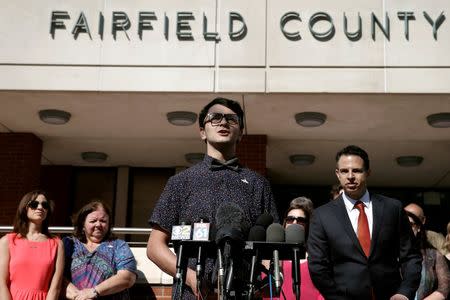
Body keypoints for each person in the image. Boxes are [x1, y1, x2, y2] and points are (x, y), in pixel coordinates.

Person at [147, 97, 279, 299]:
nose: (223, 123)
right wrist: (189, 276)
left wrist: (266, 280)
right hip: (190, 293)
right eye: (215, 118)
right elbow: (155, 247)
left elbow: (271, 245)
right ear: (202, 131)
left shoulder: (258, 184)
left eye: (231, 119)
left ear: (241, 133)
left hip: (244, 292)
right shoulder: (180, 182)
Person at [308, 145, 422, 300]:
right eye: (344, 171)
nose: (350, 176)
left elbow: (410, 256)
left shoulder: (392, 208)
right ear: (337, 174)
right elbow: (317, 266)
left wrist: (405, 291)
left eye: (356, 170)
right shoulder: (322, 215)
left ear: (368, 172)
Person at [63, 201, 137, 300]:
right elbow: (53, 275)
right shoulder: (68, 244)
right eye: (93, 221)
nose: (98, 224)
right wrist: (79, 296)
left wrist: (94, 292)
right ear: (82, 224)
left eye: (103, 221)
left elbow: (127, 278)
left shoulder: (119, 246)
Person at [0, 190, 64, 300]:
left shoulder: (56, 243)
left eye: (45, 205)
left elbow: (56, 287)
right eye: (34, 204)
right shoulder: (7, 241)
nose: (40, 208)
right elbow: (1, 283)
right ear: (24, 208)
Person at [263, 196, 324, 300]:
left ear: (308, 224)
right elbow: (267, 293)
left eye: (301, 220)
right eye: (290, 219)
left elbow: (325, 288)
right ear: (285, 222)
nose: (294, 223)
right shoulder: (273, 255)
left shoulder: (318, 252)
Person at [405, 209, 449, 300]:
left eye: (410, 224)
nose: (406, 228)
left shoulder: (434, 255)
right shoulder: (387, 254)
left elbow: (444, 289)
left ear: (418, 227)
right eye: (402, 225)